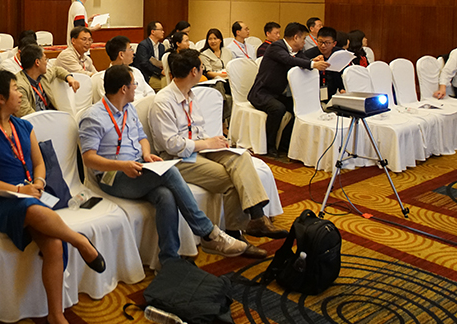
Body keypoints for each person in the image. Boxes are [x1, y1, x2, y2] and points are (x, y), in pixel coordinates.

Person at [0, 70, 104, 324]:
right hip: (2, 201)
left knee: (53, 244)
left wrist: (38, 182)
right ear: (0, 98)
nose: (20, 94)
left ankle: (55, 319)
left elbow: (39, 163)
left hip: (30, 195)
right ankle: (79, 241)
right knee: (32, 209)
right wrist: (19, 190)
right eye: (15, 89)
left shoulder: (23, 127)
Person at [79, 65, 260, 263]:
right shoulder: (93, 117)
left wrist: (146, 154)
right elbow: (89, 158)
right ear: (124, 89)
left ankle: (169, 259)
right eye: (134, 84)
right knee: (169, 172)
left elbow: (142, 137)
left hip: (138, 167)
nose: (136, 87)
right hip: (112, 176)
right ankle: (207, 232)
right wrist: (122, 166)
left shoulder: (129, 109)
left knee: (165, 196)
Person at [150, 49, 285, 244]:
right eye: (201, 68)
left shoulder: (190, 95)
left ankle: (257, 217)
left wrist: (214, 141)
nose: (203, 71)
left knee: (241, 157)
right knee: (230, 179)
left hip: (199, 149)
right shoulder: (163, 101)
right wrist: (206, 143)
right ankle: (235, 234)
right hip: (177, 159)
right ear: (194, 72)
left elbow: (197, 129)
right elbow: (172, 145)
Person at [248, 23, 329, 157]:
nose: (304, 42)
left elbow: (302, 61)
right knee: (278, 109)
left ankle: (285, 143)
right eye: (303, 39)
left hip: (278, 93)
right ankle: (269, 146)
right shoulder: (276, 47)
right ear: (296, 37)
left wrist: (313, 61)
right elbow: (288, 60)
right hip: (262, 93)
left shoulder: (297, 51)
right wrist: (312, 64)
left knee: (299, 107)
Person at [16, 44, 80, 116]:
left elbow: (56, 70)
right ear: (37, 62)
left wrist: (69, 78)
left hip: (49, 115)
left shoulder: (42, 76)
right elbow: (26, 114)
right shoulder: (19, 86)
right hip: (36, 120)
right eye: (45, 59)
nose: (46, 62)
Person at [300, 27, 346, 102]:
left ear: (334, 43)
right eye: (320, 42)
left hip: (336, 91)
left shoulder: (340, 54)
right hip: (314, 92)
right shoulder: (309, 54)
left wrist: (342, 88)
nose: (323, 46)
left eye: (327, 43)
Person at [102, 35, 153, 101]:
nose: (133, 53)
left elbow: (150, 92)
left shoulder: (135, 71)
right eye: (130, 49)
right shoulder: (105, 78)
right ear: (121, 55)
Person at [134, 21, 167, 91]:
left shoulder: (161, 46)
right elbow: (144, 64)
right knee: (164, 87)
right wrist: (160, 71)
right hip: (147, 75)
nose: (163, 32)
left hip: (158, 73)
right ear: (153, 32)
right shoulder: (143, 45)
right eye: (161, 30)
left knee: (170, 83)